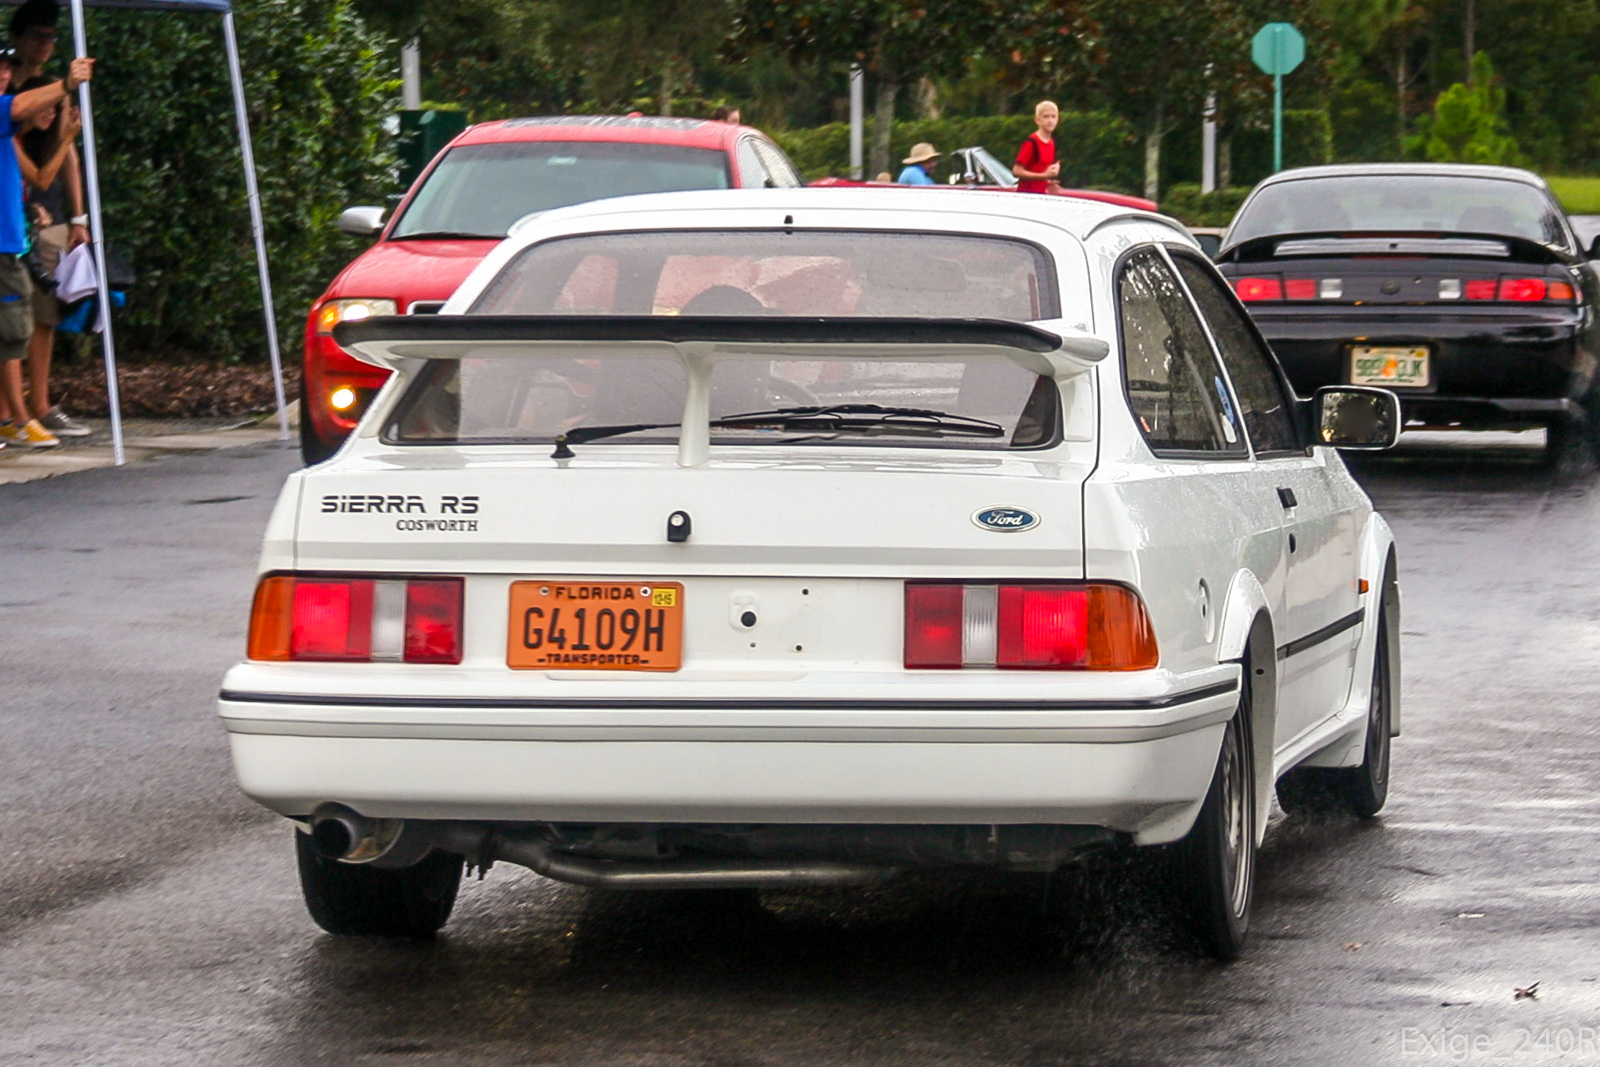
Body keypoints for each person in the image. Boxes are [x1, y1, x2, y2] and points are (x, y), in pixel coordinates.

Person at [0, 45, 92, 450]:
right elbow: (39, 176)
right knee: (13, 330)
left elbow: (41, 176)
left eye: (7, 68)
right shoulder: (11, 117)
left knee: (21, 327)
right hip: (6, 244)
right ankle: (18, 418)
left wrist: (77, 218)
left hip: (13, 240)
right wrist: (67, 84)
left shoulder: (11, 127)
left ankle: (15, 416)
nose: (4, 74)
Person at [1013, 100, 1060, 194]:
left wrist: (1050, 180)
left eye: (1053, 116)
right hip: (1028, 195)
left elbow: (1042, 168)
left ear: (1057, 120)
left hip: (1041, 194)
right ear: (1037, 120)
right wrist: (1044, 176)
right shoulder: (1032, 142)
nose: (1050, 120)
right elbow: (1017, 171)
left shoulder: (1051, 142)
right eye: (1046, 117)